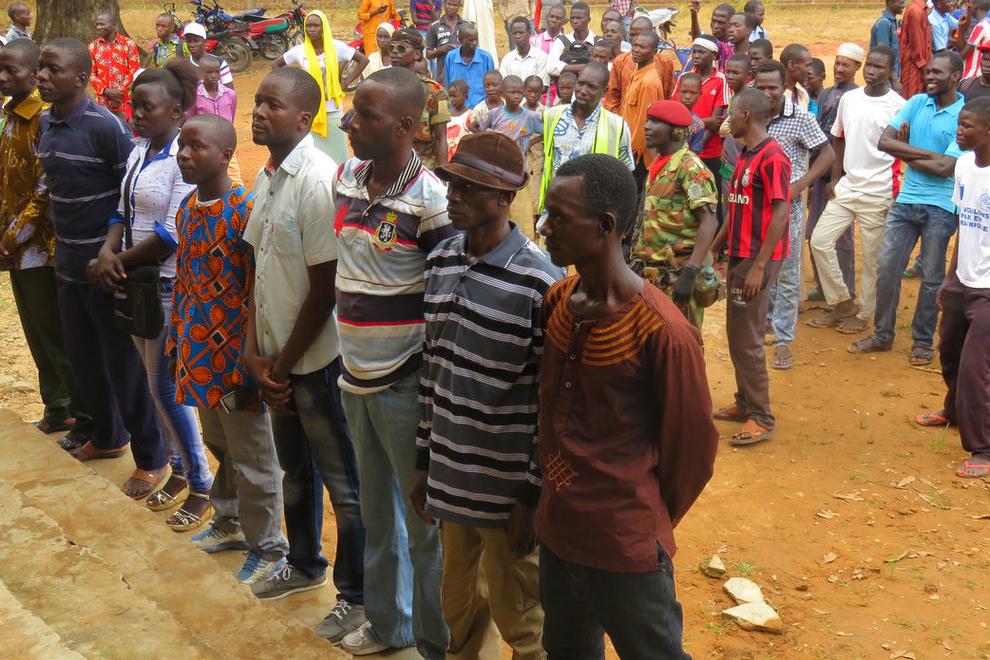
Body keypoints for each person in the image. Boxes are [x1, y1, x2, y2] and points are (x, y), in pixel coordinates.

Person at [537, 153, 717, 658]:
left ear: (605, 225)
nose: (545, 227)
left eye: (559, 217)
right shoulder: (559, 301)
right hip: (558, 531)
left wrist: (645, 517)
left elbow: (693, 453)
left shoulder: (664, 332)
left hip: (623, 544)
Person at [411, 130, 561, 660]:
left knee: (521, 617)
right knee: (459, 610)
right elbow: (433, 371)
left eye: (470, 188)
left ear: (505, 198)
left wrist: (530, 498)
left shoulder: (540, 282)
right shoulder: (441, 259)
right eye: (452, 183)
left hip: (505, 494)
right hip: (451, 480)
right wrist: (424, 462)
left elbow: (551, 403)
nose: (453, 196)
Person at [241, 69, 368, 645]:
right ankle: (303, 561)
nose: (258, 111)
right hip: (277, 360)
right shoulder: (268, 177)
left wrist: (283, 363)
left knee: (344, 483)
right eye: (258, 101)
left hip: (314, 360)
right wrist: (255, 353)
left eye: (272, 104)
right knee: (296, 467)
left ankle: (356, 596)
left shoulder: (318, 180)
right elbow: (260, 273)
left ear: (303, 118)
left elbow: (324, 288)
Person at [334, 67, 456, 658]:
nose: (350, 123)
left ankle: (437, 642)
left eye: (367, 115)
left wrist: (428, 384)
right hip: (354, 376)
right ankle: (389, 626)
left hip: (405, 381)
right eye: (353, 110)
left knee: (422, 523)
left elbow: (444, 295)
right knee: (376, 512)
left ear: (406, 126)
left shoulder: (431, 202)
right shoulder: (347, 180)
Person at [37, 39, 168, 492]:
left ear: (80, 78)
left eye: (52, 69)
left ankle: (152, 457)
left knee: (123, 367)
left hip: (106, 268)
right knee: (84, 359)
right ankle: (108, 437)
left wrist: (113, 255)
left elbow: (125, 195)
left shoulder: (104, 127)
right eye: (41, 67)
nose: (42, 76)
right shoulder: (46, 123)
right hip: (67, 263)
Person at [92, 60, 215, 530]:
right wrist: (107, 251)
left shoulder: (184, 159)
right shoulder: (139, 151)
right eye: (133, 106)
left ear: (177, 111)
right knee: (151, 383)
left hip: (166, 285)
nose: (136, 114)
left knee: (166, 386)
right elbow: (120, 211)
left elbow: (172, 233)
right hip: (135, 285)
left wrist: (117, 261)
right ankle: (179, 468)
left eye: (147, 107)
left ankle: (202, 483)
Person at [169, 113, 291, 588]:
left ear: (225, 156)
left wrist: (254, 355)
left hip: (237, 359)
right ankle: (230, 519)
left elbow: (260, 287)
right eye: (182, 147)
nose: (184, 155)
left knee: (254, 455)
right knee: (220, 442)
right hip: (198, 354)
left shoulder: (245, 210)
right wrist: (178, 338)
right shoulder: (188, 208)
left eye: (196, 147)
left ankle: (269, 548)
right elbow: (185, 278)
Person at [850, 51, 965, 365]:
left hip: (942, 206)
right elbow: (884, 142)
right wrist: (927, 155)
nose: (929, 77)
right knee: (887, 269)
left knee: (931, 277)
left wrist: (906, 151)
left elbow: (946, 168)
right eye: (928, 72)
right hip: (906, 201)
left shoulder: (963, 113)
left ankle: (923, 341)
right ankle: (882, 334)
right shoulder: (916, 102)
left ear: (955, 76)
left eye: (937, 73)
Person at [0, 39, 83, 440]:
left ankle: (74, 409)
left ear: (34, 75)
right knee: (35, 329)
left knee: (53, 330)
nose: (3, 77)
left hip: (40, 247)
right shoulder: (11, 115)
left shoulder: (43, 120)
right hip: (15, 246)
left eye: (11, 71)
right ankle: (57, 407)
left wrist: (12, 237)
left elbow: (44, 189)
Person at [711, 88, 790, 445]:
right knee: (737, 332)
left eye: (731, 113)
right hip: (740, 255)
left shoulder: (773, 157)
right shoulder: (745, 153)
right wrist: (716, 247)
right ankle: (744, 402)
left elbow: (781, 212)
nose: (727, 119)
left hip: (757, 257)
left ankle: (761, 416)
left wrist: (759, 266)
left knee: (749, 338)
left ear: (746, 115)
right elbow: (736, 206)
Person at [808, 45, 905, 335]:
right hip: (848, 187)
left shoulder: (899, 106)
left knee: (872, 260)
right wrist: (835, 178)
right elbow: (838, 138)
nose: (871, 71)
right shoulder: (849, 99)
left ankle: (864, 313)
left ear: (890, 71)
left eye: (879, 67)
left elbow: (905, 150)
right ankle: (842, 302)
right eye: (869, 65)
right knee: (819, 241)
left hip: (880, 191)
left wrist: (895, 192)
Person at [916, 97, 990, 477]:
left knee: (977, 366)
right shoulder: (963, 166)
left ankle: (983, 448)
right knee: (949, 350)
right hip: (963, 279)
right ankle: (954, 410)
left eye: (967, 126)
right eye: (959, 124)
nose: (958, 131)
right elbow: (966, 225)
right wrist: (950, 277)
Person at [754, 60, 834, 370]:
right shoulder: (751, 115)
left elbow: (827, 153)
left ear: (784, 86)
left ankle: (783, 339)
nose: (766, 93)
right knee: (761, 266)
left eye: (772, 87)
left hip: (787, 205)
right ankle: (765, 321)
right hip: (756, 203)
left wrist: (800, 185)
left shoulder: (800, 117)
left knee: (787, 271)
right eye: (760, 87)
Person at [632, 99, 719, 329]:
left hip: (677, 276)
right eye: (648, 120)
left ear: (677, 132)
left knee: (680, 340)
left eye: (656, 122)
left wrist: (691, 272)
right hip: (652, 275)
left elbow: (709, 221)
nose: (647, 126)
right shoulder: (659, 164)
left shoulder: (690, 168)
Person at [805, 43, 864, 304]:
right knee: (814, 232)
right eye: (837, 63)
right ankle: (824, 286)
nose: (839, 68)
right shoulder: (826, 94)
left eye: (846, 65)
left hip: (840, 176)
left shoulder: (856, 98)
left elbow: (845, 139)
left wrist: (835, 177)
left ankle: (845, 290)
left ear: (857, 67)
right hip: (820, 174)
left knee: (841, 237)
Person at [538, 62, 633, 215]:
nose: (583, 90)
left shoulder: (617, 126)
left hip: (593, 212)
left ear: (604, 92)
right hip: (554, 206)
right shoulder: (551, 116)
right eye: (581, 83)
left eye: (591, 87)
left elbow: (625, 173)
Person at [275, 11, 369, 163]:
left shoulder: (336, 47)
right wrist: (292, 87)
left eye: (316, 25)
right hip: (310, 112)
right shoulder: (300, 50)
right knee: (314, 156)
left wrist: (346, 82)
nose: (311, 29)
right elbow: (276, 65)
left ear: (323, 27)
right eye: (308, 26)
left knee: (338, 154)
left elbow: (363, 60)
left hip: (333, 110)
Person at [471, 75, 543, 237]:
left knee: (521, 212)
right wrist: (490, 141)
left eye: (520, 92)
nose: (517, 96)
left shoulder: (530, 117)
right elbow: (473, 126)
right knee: (497, 208)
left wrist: (531, 143)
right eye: (512, 92)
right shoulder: (494, 114)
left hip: (519, 172)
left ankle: (522, 241)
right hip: (496, 171)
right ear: (503, 93)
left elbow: (546, 131)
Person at [672, 36, 728, 225]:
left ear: (713, 55)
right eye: (694, 51)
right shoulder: (685, 77)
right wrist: (702, 123)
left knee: (710, 201)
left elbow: (717, 122)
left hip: (709, 153)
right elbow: (676, 111)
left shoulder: (720, 80)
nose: (695, 55)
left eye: (701, 52)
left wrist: (696, 149)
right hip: (683, 151)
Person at [389, 28, 451, 168]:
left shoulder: (433, 92)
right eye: (391, 48)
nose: (394, 52)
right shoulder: (380, 87)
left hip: (423, 168)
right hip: (389, 167)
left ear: (417, 54)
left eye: (401, 48)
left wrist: (443, 175)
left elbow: (441, 139)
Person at [186, 55, 243, 185]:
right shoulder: (195, 97)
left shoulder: (230, 94)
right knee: (206, 177)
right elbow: (191, 120)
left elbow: (231, 115)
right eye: (209, 72)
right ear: (200, 73)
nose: (214, 76)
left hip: (225, 144)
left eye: (217, 72)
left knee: (234, 176)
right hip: (203, 146)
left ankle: (237, 197)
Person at [621, 30, 666, 194]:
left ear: (654, 52)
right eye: (634, 45)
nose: (636, 50)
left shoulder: (648, 82)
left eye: (642, 47)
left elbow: (645, 122)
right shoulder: (637, 74)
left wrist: (632, 152)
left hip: (638, 156)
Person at [88, 12, 139, 121]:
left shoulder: (128, 44)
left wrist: (118, 93)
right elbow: (91, 73)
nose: (98, 27)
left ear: (113, 25)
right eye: (97, 24)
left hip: (123, 100)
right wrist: (106, 91)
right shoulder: (93, 47)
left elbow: (134, 70)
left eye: (102, 24)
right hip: (102, 101)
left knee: (126, 128)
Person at [445, 23, 496, 107]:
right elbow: (448, 84)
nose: (474, 43)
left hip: (481, 108)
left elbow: (492, 86)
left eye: (476, 40)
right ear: (460, 40)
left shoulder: (486, 58)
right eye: (470, 40)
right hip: (457, 109)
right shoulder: (451, 57)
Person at [547, 1, 595, 80]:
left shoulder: (597, 41)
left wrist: (566, 67)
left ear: (588, 19)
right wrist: (582, 67)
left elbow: (603, 67)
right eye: (572, 18)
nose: (575, 21)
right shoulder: (561, 41)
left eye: (579, 18)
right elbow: (550, 67)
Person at [501, 16, 549, 86]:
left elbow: (543, 86)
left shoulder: (541, 57)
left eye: (521, 33)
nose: (517, 36)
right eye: (515, 33)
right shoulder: (507, 60)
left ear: (529, 33)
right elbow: (504, 86)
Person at [425, 0, 465, 83]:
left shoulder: (466, 25)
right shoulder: (434, 26)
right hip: (443, 77)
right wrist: (440, 50)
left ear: (459, 6)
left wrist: (462, 49)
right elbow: (428, 55)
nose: (451, 7)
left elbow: (475, 50)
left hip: (464, 75)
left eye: (455, 5)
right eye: (449, 4)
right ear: (444, 4)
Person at [688, 1, 735, 70]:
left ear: (731, 24)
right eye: (713, 21)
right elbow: (699, 42)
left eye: (721, 22)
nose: (715, 26)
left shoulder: (735, 46)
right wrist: (694, 14)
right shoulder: (713, 42)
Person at [900, 0, 932, 97]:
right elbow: (917, 46)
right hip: (914, 66)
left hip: (920, 65)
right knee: (911, 98)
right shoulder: (916, 11)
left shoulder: (922, 9)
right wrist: (925, 71)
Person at [872, 0, 904, 77]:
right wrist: (893, 78)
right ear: (890, 3)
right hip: (886, 77)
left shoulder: (893, 22)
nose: (903, 6)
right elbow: (883, 54)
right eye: (901, 3)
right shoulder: (884, 23)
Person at [962, 0, 990, 78]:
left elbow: (963, 55)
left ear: (974, 6)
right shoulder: (988, 25)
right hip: (983, 74)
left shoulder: (980, 26)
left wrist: (960, 28)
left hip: (972, 74)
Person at [779, 42, 811, 110]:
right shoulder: (777, 96)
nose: (810, 71)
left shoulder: (803, 94)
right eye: (807, 65)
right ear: (791, 65)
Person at [446, 78, 470, 158]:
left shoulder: (470, 115)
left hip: (462, 155)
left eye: (455, 96)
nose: (451, 99)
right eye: (450, 96)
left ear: (465, 96)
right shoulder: (446, 115)